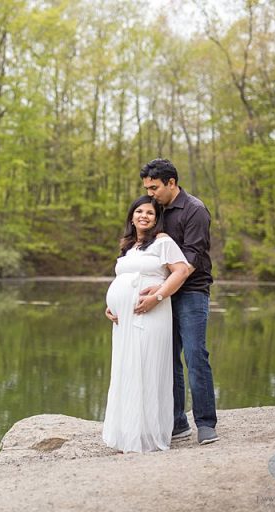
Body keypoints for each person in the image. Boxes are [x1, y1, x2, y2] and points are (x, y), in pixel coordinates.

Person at [137, 158, 219, 445]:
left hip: (192, 292)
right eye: (147, 188)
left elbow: (192, 260)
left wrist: (162, 289)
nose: (150, 193)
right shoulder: (155, 209)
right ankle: (177, 422)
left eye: (154, 187)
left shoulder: (195, 210)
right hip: (163, 292)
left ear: (171, 183)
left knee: (196, 356)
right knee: (166, 358)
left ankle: (206, 423)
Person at [102, 195, 190, 453]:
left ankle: (148, 434)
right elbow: (124, 279)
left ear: (156, 218)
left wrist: (158, 295)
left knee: (147, 366)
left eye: (150, 213)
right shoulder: (129, 246)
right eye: (139, 211)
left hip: (151, 313)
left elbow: (182, 271)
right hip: (123, 320)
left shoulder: (164, 242)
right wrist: (112, 305)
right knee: (126, 368)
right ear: (132, 216)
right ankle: (128, 432)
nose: (144, 216)